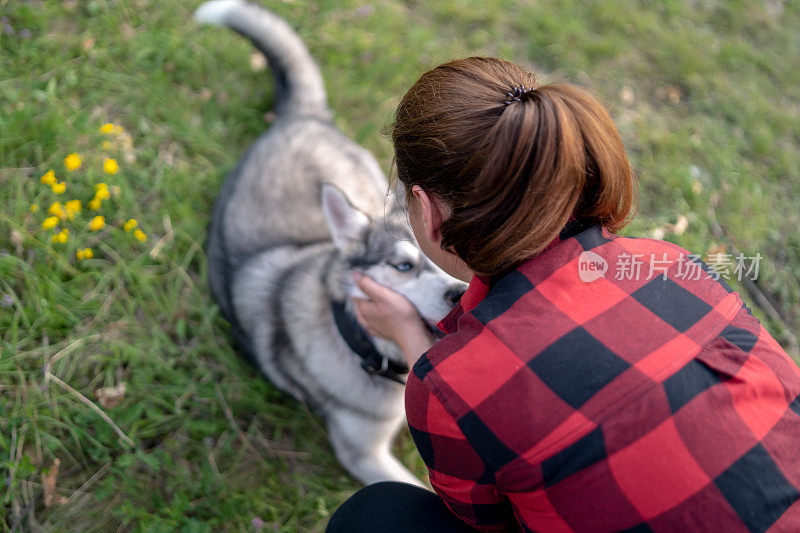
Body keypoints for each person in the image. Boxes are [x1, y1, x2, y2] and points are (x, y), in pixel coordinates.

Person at [326, 56, 800, 532]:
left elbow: (484, 523)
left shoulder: (453, 387)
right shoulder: (673, 265)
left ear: (428, 213)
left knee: (375, 516)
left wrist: (415, 344)